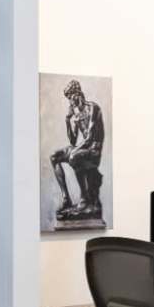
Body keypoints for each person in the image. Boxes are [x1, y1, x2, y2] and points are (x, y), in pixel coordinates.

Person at [52, 80, 105, 224]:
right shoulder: (76, 115)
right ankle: (66, 199)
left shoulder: (93, 108)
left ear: (78, 93)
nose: (70, 100)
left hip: (94, 151)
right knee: (54, 157)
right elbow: (73, 141)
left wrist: (73, 152)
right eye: (68, 98)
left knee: (74, 156)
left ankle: (84, 199)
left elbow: (89, 138)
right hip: (83, 148)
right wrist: (68, 119)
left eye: (71, 96)